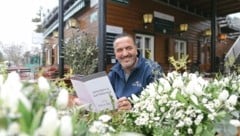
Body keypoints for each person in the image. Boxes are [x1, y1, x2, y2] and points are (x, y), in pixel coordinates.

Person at [108, 33, 163, 111]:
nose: (125, 54)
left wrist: (133, 108)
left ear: (136, 50)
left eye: (129, 48)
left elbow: (159, 104)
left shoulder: (153, 70)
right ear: (115, 54)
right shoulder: (113, 73)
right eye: (119, 50)